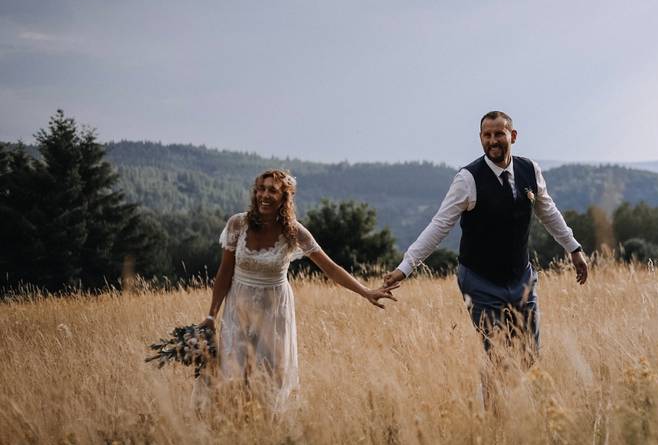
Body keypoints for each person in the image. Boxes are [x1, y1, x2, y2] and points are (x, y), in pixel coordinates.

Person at [383, 111, 588, 368]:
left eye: (499, 134)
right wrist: (405, 267)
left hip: (521, 277)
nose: (493, 141)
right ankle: (493, 408)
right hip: (480, 281)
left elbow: (548, 211)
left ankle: (521, 407)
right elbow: (439, 225)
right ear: (480, 138)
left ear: (512, 136)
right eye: (487, 135)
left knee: (530, 356)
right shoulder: (467, 179)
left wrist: (574, 248)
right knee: (499, 357)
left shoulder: (530, 170)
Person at [201, 169, 397, 408]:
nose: (264, 195)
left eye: (272, 190)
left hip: (274, 313)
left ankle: (264, 434)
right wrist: (211, 315)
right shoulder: (237, 224)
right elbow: (224, 273)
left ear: (285, 197)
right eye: (261, 189)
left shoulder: (294, 232)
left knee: (268, 380)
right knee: (234, 375)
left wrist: (366, 291)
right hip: (238, 310)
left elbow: (331, 268)